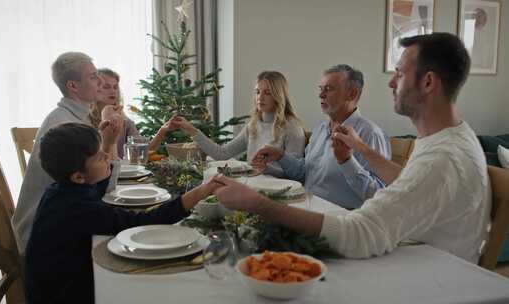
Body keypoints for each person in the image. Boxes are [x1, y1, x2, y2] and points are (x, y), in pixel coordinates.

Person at [210, 33, 491, 263]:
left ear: (428, 82)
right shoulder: (445, 140)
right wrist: (357, 151)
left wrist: (256, 203)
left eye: (400, 73)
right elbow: (408, 181)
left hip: (423, 277)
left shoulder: (443, 158)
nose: (391, 82)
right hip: (408, 256)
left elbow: (360, 233)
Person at [24, 123, 217, 303]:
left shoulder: (61, 191)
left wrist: (107, 143)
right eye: (100, 157)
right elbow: (142, 222)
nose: (107, 157)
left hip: (48, 284)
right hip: (63, 294)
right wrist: (199, 193)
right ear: (78, 176)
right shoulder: (79, 209)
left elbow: (96, 188)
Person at [12, 52, 123, 253]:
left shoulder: (74, 117)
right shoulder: (68, 126)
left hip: (58, 221)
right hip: (45, 238)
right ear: (73, 86)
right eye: (93, 76)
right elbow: (105, 186)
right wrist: (110, 142)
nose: (100, 80)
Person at [253, 65, 390, 209]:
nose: (321, 95)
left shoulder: (371, 134)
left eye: (329, 89)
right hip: (305, 210)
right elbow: (305, 173)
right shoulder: (320, 129)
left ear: (352, 94)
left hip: (342, 221)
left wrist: (346, 161)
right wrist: (280, 156)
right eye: (321, 89)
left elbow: (379, 195)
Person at [171, 71, 305, 177]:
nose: (260, 97)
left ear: (278, 95)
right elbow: (222, 153)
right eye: (258, 92)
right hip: (253, 186)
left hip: (279, 193)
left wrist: (267, 169)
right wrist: (190, 129)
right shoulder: (253, 125)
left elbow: (296, 175)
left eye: (267, 93)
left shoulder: (292, 128)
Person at [89, 68, 174, 158]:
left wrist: (162, 131)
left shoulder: (125, 121)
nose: (113, 91)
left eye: (115, 87)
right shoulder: (85, 119)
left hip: (120, 171)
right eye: (106, 87)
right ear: (94, 89)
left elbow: (143, 151)